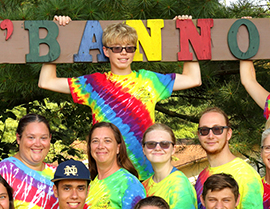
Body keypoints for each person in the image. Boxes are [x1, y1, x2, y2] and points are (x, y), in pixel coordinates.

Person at [38, 18, 201, 178]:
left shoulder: (149, 80)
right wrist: (57, 33)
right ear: (106, 51)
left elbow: (193, 79)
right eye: (117, 48)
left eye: (129, 48)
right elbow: (47, 81)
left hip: (146, 174)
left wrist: (185, 34)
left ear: (134, 51)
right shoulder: (94, 84)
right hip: (109, 174)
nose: (124, 52)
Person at [193, 107, 263, 209]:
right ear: (199, 135)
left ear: (228, 134)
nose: (210, 135)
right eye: (204, 130)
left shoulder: (245, 174)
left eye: (217, 129)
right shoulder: (203, 176)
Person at [84, 121, 146, 209]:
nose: (101, 146)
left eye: (107, 141)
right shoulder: (88, 186)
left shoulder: (129, 184)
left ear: (118, 148)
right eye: (95, 141)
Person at [0, 114, 58, 209]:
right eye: (31, 137)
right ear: (18, 138)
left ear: (50, 139)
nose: (37, 144)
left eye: (43, 138)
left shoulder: (57, 175)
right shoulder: (3, 172)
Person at [140, 122, 200, 209]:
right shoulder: (143, 186)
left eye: (164, 144)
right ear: (143, 149)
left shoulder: (178, 184)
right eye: (151, 144)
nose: (157, 148)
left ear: (173, 149)